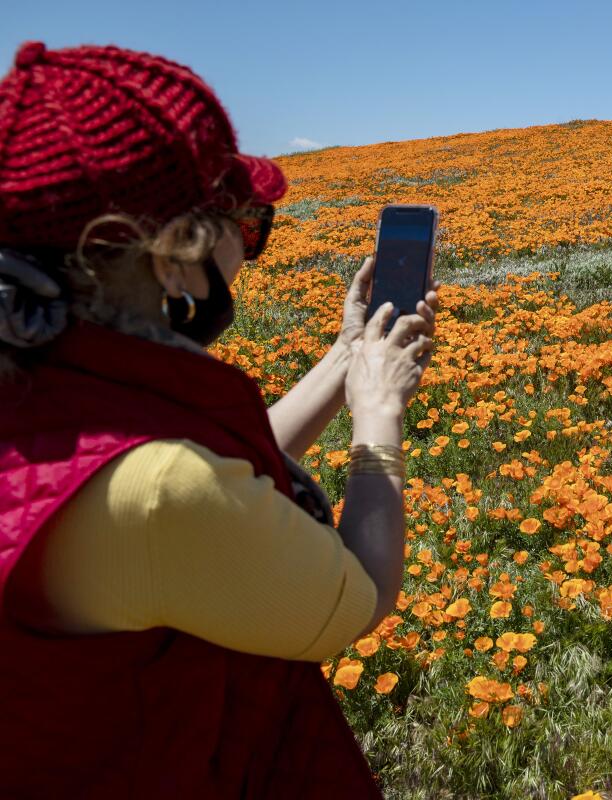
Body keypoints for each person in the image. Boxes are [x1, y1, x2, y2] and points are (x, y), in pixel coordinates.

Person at [0, 43, 436, 798]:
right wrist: (380, 414)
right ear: (174, 250)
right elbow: (353, 600)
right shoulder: (162, 493)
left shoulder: (41, 382)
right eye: (250, 223)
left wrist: (344, 359)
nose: (253, 248)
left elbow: (207, 482)